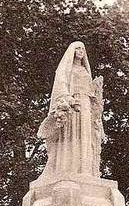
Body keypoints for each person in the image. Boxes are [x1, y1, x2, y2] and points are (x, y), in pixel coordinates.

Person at [37, 41, 104, 182]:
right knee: (71, 134)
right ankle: (69, 168)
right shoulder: (67, 69)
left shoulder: (85, 71)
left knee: (85, 136)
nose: (80, 51)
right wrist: (68, 99)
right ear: (72, 51)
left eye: (83, 49)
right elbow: (61, 87)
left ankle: (85, 170)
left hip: (85, 106)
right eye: (78, 48)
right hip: (73, 106)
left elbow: (91, 93)